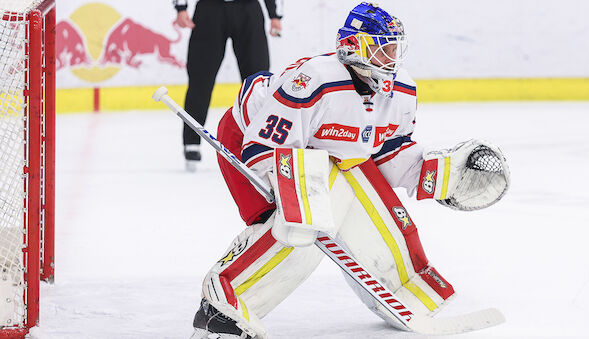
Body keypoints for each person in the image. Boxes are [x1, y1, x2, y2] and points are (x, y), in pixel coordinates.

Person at [191, 3, 510, 338]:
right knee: (299, 228)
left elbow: (386, 150)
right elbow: (265, 144)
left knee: (376, 212)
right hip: (251, 139)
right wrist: (294, 201)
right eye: (383, 47)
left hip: (325, 154)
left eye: (395, 49)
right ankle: (222, 303)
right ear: (354, 46)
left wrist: (433, 176)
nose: (391, 57)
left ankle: (408, 292)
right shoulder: (315, 80)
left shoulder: (401, 91)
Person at [173, 0, 283, 171]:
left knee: (259, 83)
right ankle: (191, 143)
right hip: (209, 10)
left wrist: (275, 14)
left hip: (249, 10)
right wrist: (180, 7)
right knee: (200, 78)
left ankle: (262, 144)